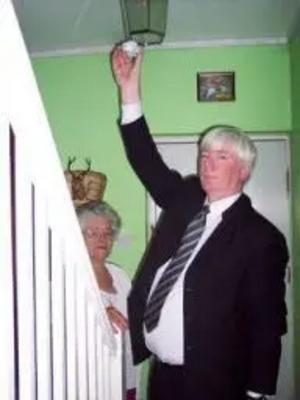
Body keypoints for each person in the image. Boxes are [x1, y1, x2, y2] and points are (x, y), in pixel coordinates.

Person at [110, 45, 289, 400]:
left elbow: (265, 324)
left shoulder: (261, 237)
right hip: (161, 378)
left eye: (221, 157)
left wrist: (256, 393)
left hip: (216, 385)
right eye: (204, 154)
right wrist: (129, 93)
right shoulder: (187, 197)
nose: (207, 163)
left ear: (244, 169)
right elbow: (146, 161)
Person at [76, 200, 138, 400]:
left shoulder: (119, 274)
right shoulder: (70, 277)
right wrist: (101, 315)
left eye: (108, 232)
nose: (102, 238)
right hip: (90, 381)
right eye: (92, 233)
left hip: (126, 377)